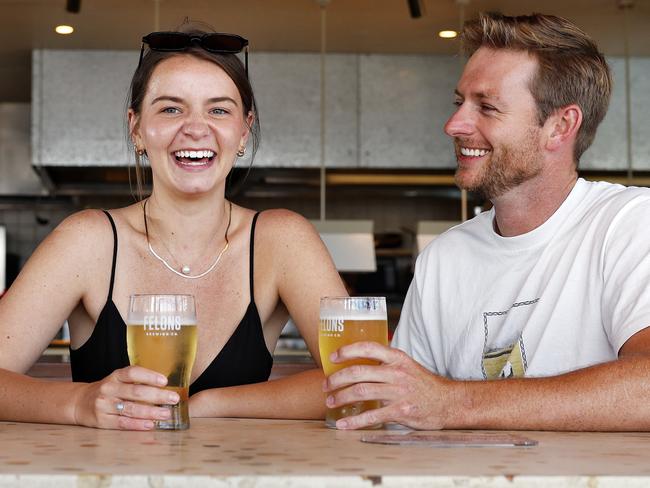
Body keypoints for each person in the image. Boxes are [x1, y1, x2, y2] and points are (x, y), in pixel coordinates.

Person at [0, 26, 346, 430]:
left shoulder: (282, 240)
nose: (196, 128)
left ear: (243, 131)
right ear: (136, 128)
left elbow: (366, 383)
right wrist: (80, 402)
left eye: (219, 110)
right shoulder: (87, 240)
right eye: (170, 109)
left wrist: (206, 405)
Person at [323, 12, 650, 431]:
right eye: (459, 103)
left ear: (560, 126)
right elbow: (402, 416)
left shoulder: (628, 224)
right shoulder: (444, 257)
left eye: (488, 107)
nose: (453, 125)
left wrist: (454, 404)